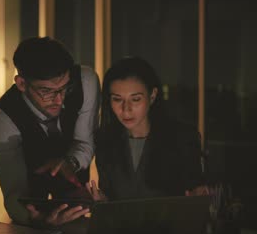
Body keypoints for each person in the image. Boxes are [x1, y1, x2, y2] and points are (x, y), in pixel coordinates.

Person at [0, 37, 100, 227]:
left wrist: (70, 162)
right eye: (47, 91)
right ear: (21, 84)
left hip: (78, 202)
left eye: (64, 88)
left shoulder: (86, 81)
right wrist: (36, 219)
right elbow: (13, 190)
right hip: (34, 208)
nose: (59, 100)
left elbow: (85, 141)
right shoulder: (4, 118)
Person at [86, 56, 206, 201]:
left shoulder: (182, 138)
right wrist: (102, 202)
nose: (126, 109)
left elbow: (196, 196)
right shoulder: (106, 141)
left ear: (153, 96)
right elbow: (110, 197)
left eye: (135, 99)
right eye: (117, 99)